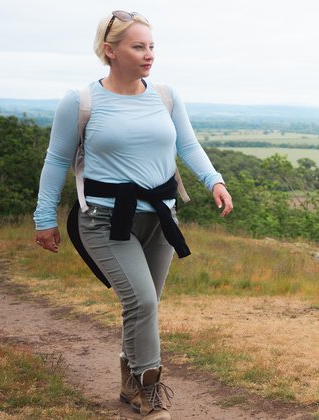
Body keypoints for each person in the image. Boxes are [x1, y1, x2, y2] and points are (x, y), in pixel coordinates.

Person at [33, 10, 232, 420]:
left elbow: (188, 145)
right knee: (141, 300)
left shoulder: (165, 96)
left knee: (146, 304)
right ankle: (151, 392)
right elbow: (56, 161)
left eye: (152, 46)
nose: (149, 55)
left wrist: (214, 180)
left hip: (162, 217)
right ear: (110, 51)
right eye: (138, 46)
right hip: (105, 219)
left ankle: (129, 377)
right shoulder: (81, 101)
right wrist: (44, 217)